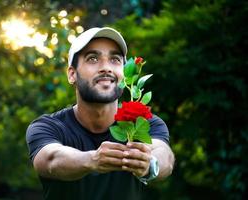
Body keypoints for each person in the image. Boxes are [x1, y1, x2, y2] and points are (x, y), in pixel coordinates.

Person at [26, 27, 175, 200]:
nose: (106, 68)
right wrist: (92, 160)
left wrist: (150, 164)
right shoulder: (48, 127)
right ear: (72, 74)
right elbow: (51, 160)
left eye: (115, 59)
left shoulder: (142, 122)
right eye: (93, 58)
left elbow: (165, 156)